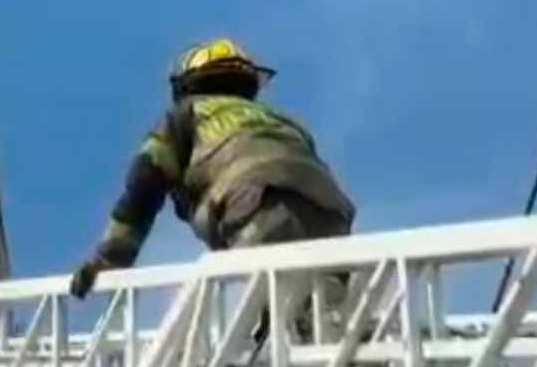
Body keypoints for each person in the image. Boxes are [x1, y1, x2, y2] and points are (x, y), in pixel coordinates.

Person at [69, 38, 357, 300]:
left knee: (280, 306)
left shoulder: (186, 115)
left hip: (256, 206)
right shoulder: (284, 120)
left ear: (185, 85)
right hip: (332, 215)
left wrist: (110, 260)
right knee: (328, 314)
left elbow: (145, 183)